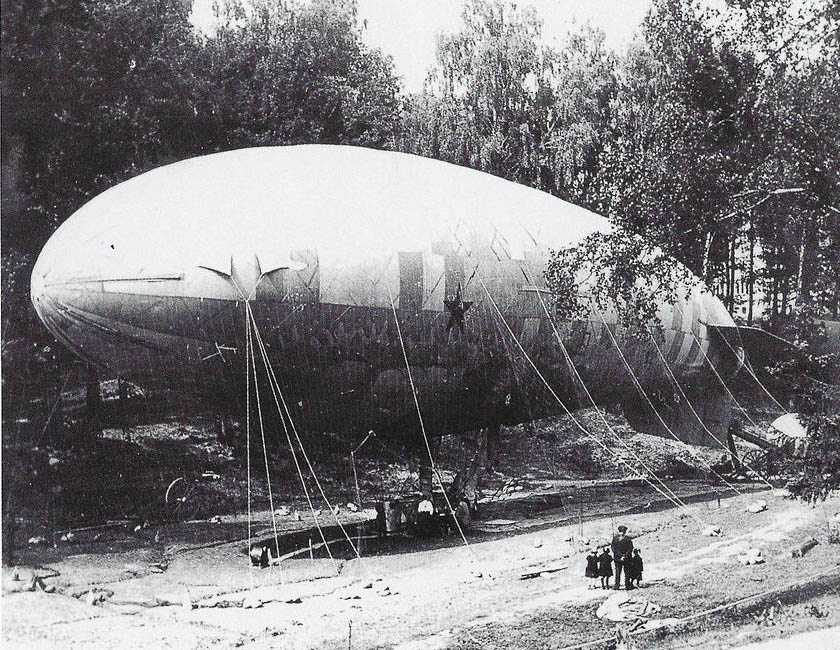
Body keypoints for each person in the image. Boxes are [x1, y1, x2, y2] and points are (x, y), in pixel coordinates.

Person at [611, 524, 634, 590]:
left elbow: (613, 549)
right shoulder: (628, 539)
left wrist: (620, 555)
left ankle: (617, 586)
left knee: (618, 572)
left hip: (617, 558)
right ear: (625, 531)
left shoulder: (615, 539)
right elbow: (630, 549)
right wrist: (625, 555)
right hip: (627, 558)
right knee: (627, 572)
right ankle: (627, 586)